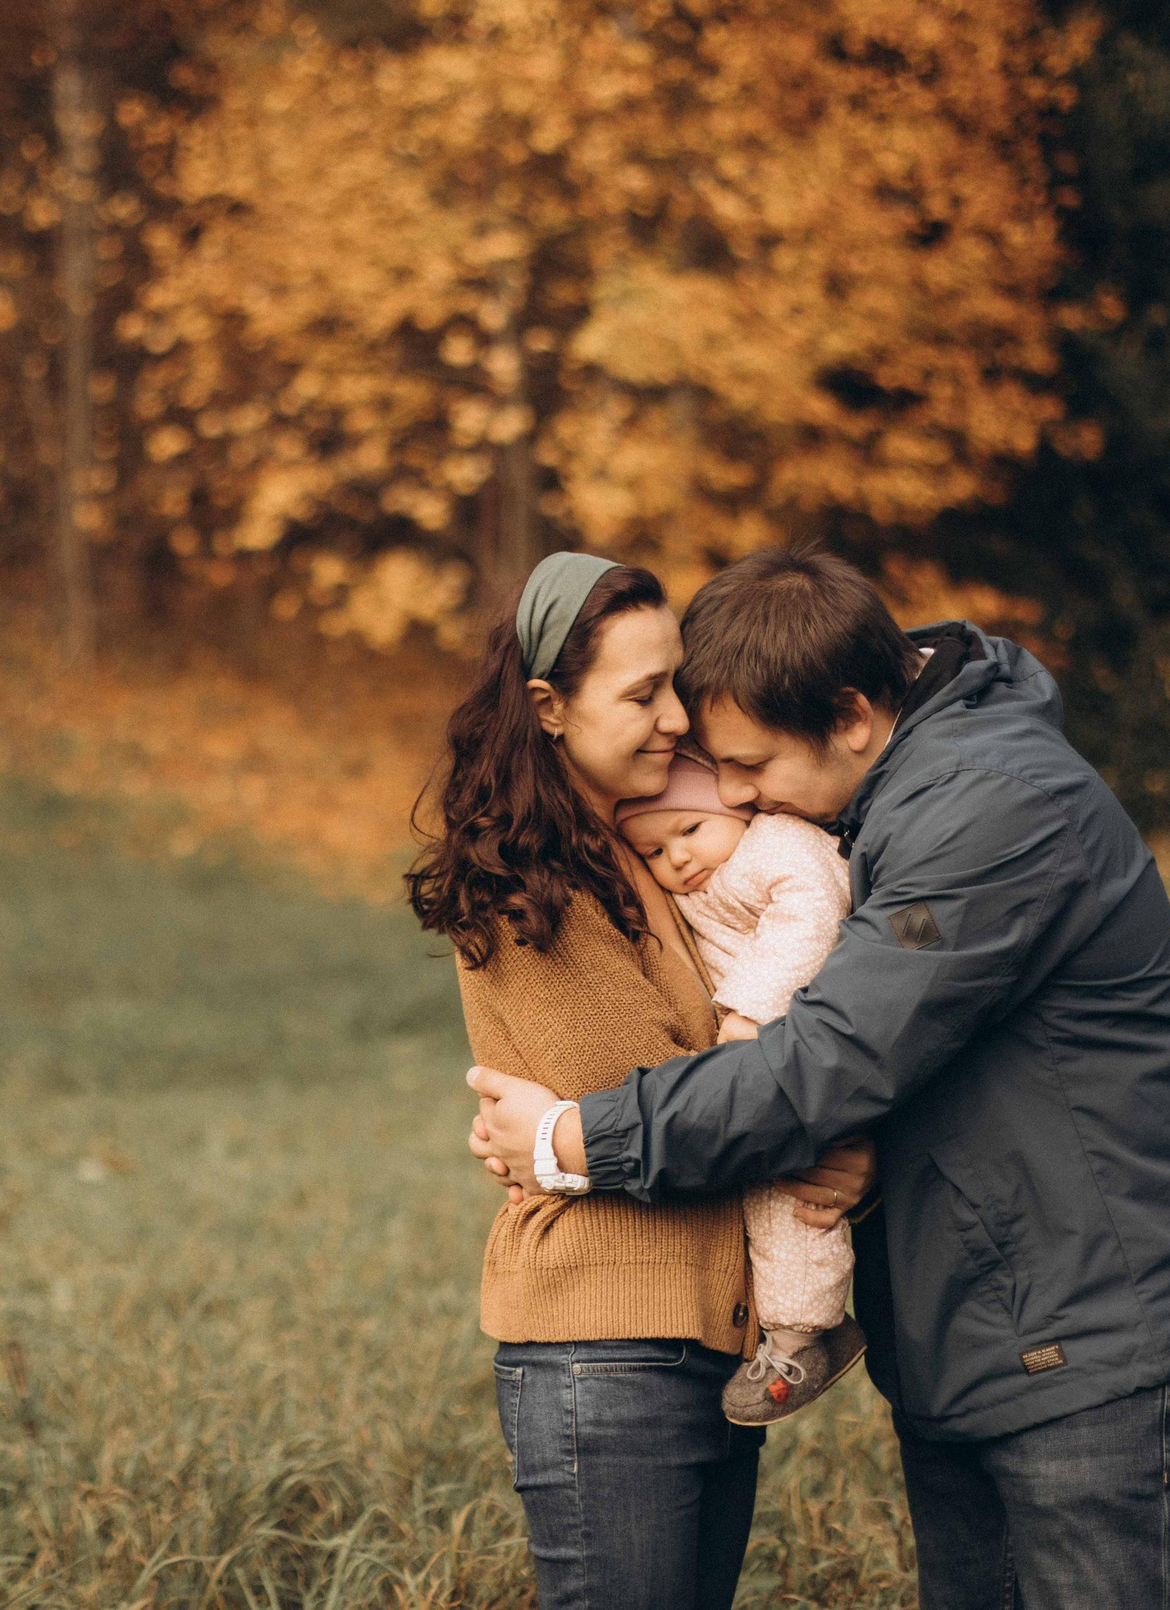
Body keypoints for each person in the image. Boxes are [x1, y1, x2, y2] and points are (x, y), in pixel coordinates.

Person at [468, 547, 1170, 1610]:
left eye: (751, 765)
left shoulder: (987, 809)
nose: (739, 797)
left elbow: (828, 1062)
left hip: (1096, 1335)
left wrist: (573, 1141)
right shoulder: (888, 793)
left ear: (850, 714)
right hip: (990, 1335)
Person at [406, 552, 870, 1610]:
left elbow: (725, 1091)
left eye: (675, 684)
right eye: (643, 692)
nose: (677, 718)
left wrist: (822, 1133)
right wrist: (797, 1125)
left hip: (695, 1339)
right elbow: (676, 1109)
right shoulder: (533, 878)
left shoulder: (646, 853)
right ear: (549, 708)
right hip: (602, 1348)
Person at [616, 753, 866, 1425]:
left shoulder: (773, 845)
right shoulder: (709, 880)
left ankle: (801, 1331)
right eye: (655, 850)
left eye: (690, 828)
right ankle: (798, 1324)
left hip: (806, 1041)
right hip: (773, 1057)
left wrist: (752, 1008)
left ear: (733, 809)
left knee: (795, 1192)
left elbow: (814, 907)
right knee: (772, 1185)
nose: (677, 857)